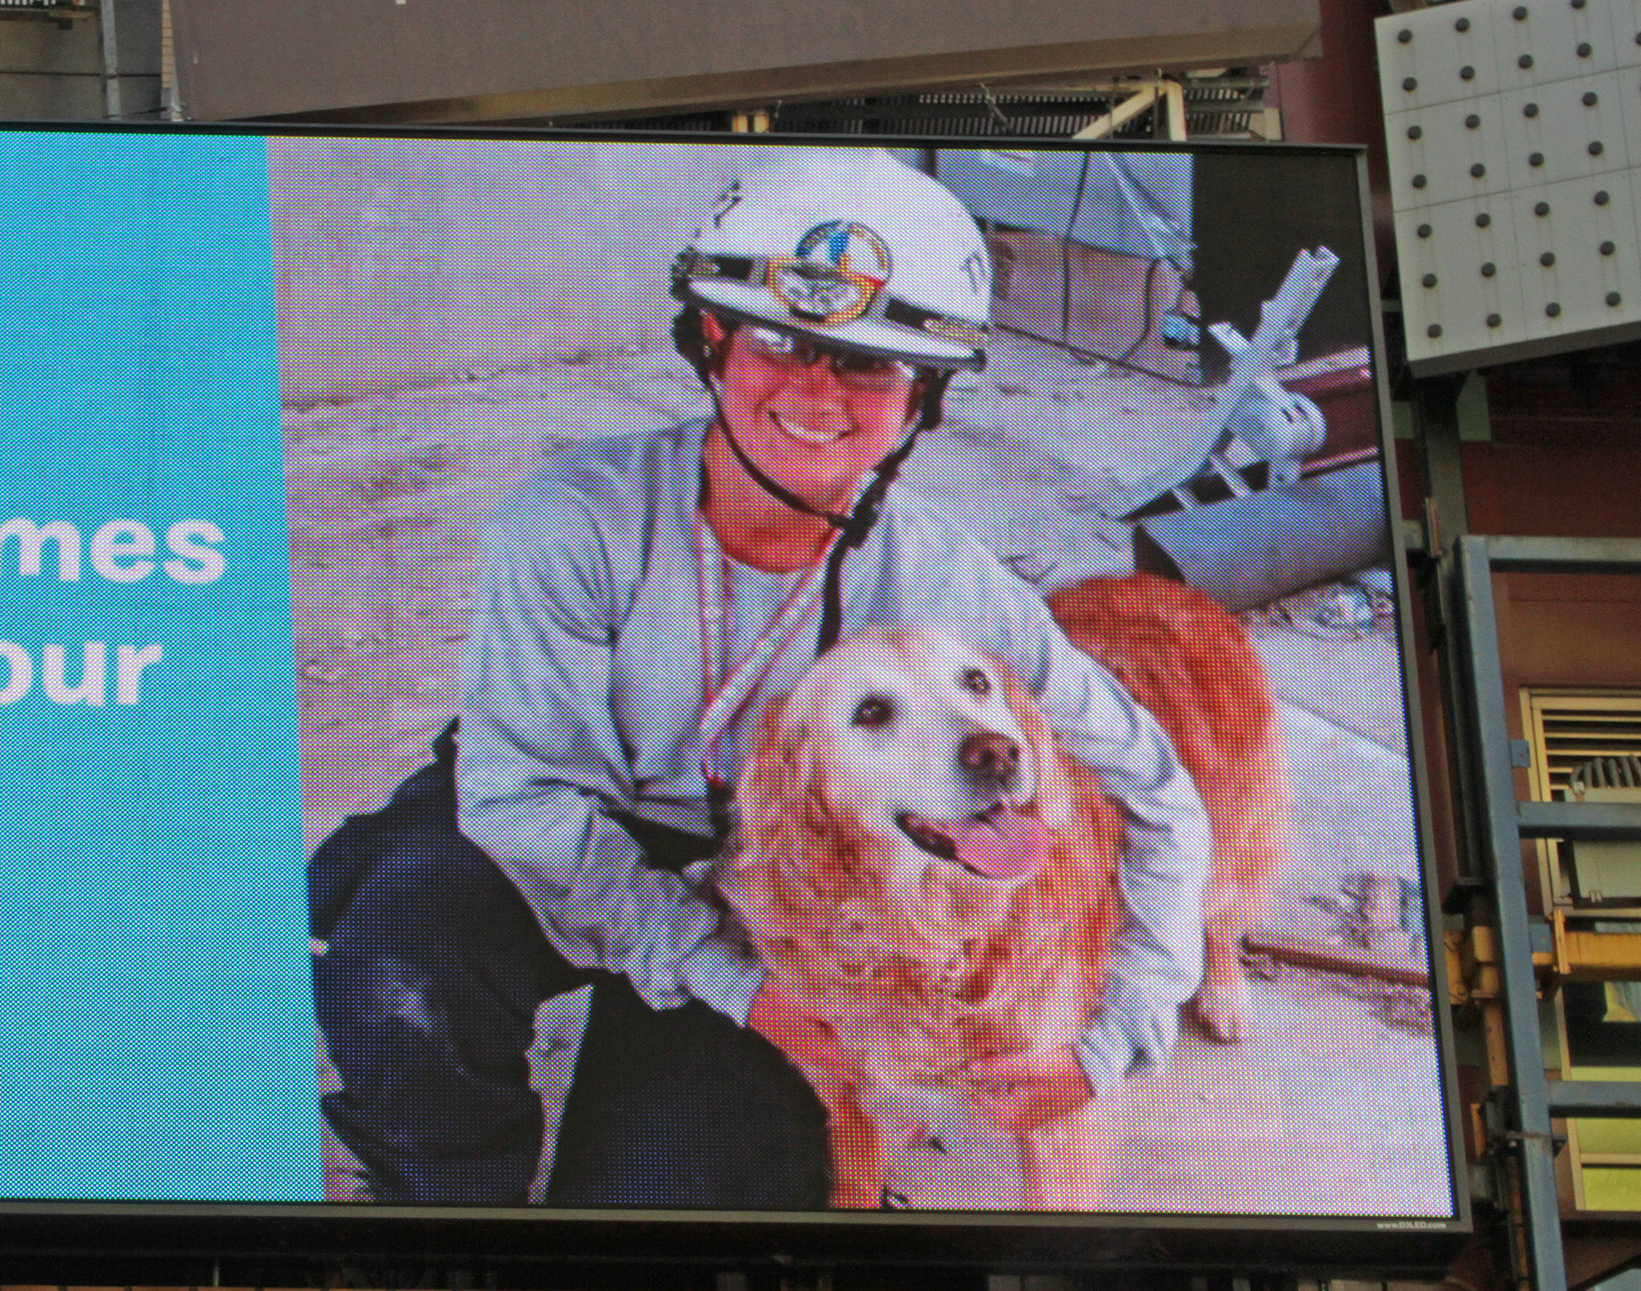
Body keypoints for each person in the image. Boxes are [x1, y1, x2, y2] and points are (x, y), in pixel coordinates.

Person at [308, 149, 1213, 1208]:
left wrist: (1112, 1045)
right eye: (781, 341)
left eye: (868, 364)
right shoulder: (574, 521)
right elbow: (520, 802)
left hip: (775, 892)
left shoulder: (944, 583)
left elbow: (1157, 794)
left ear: (922, 397)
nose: (817, 392)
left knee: (671, 1212)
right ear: (711, 339)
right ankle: (448, 1217)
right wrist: (732, 985)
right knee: (401, 949)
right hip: (568, 831)